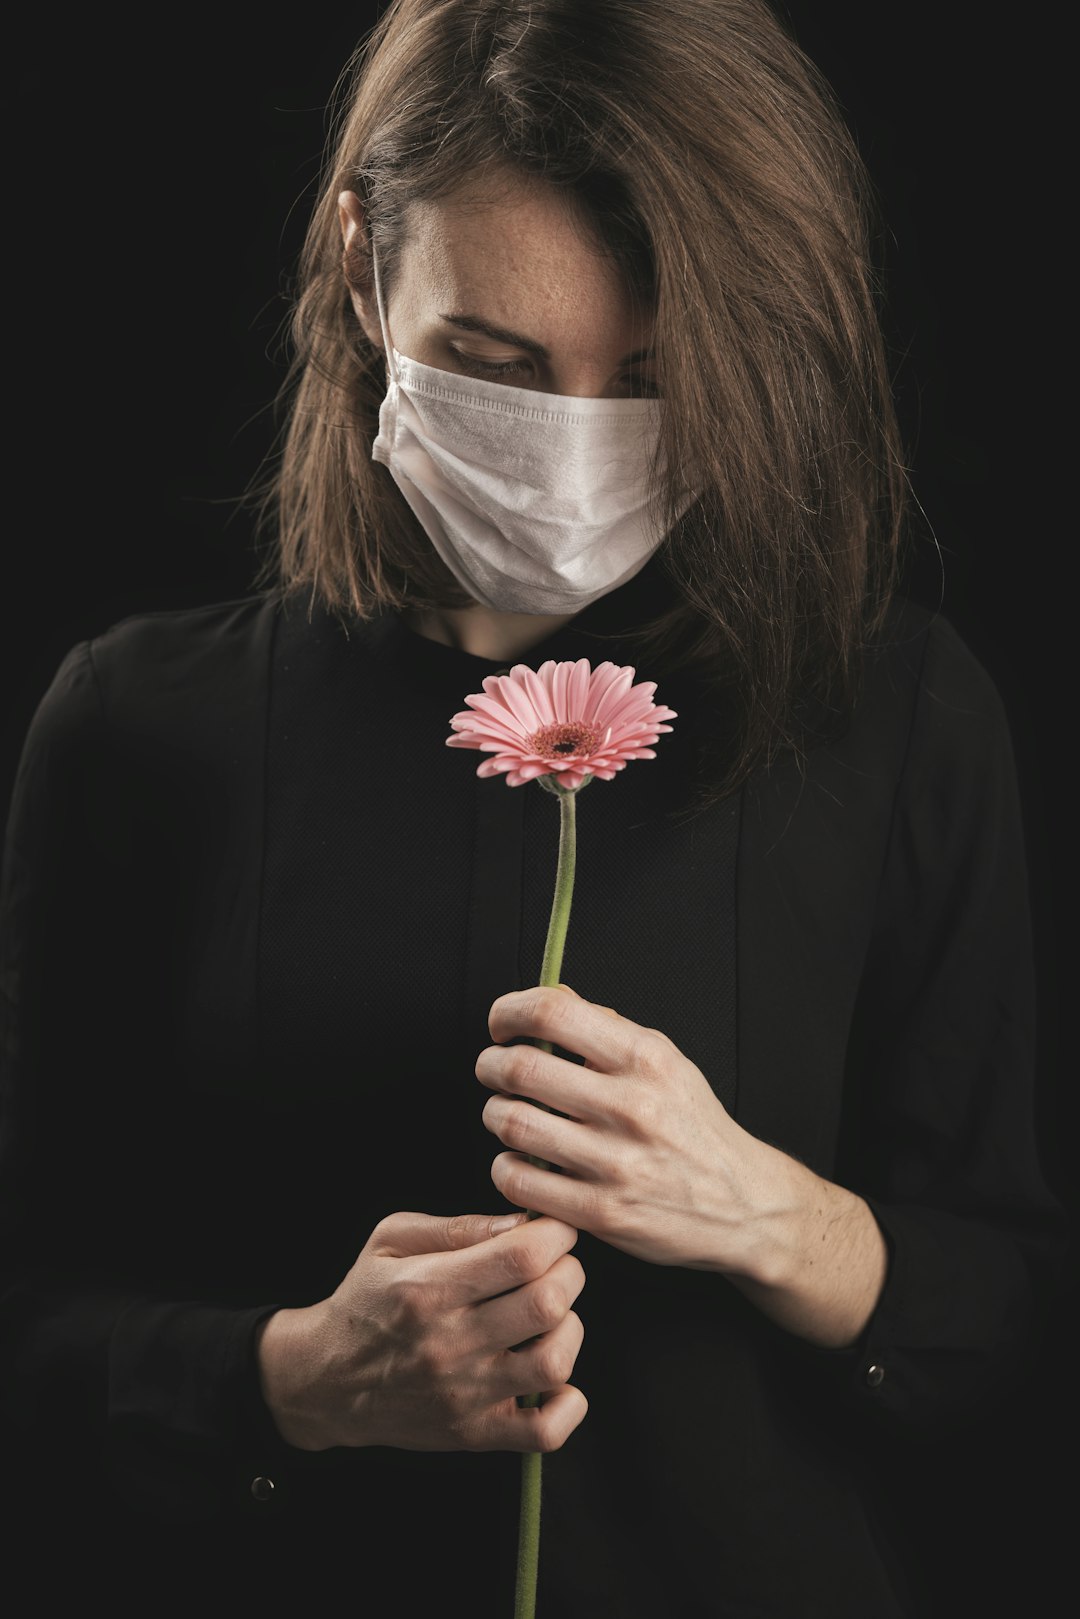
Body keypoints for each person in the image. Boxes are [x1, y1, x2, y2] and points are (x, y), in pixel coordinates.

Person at [0, 1, 1065, 1613]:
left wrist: (771, 1214)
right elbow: (32, 1315)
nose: (572, 453)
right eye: (494, 367)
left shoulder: (895, 717)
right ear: (362, 267)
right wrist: (294, 1379)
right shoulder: (140, 731)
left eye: (646, 380)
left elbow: (1012, 1322)